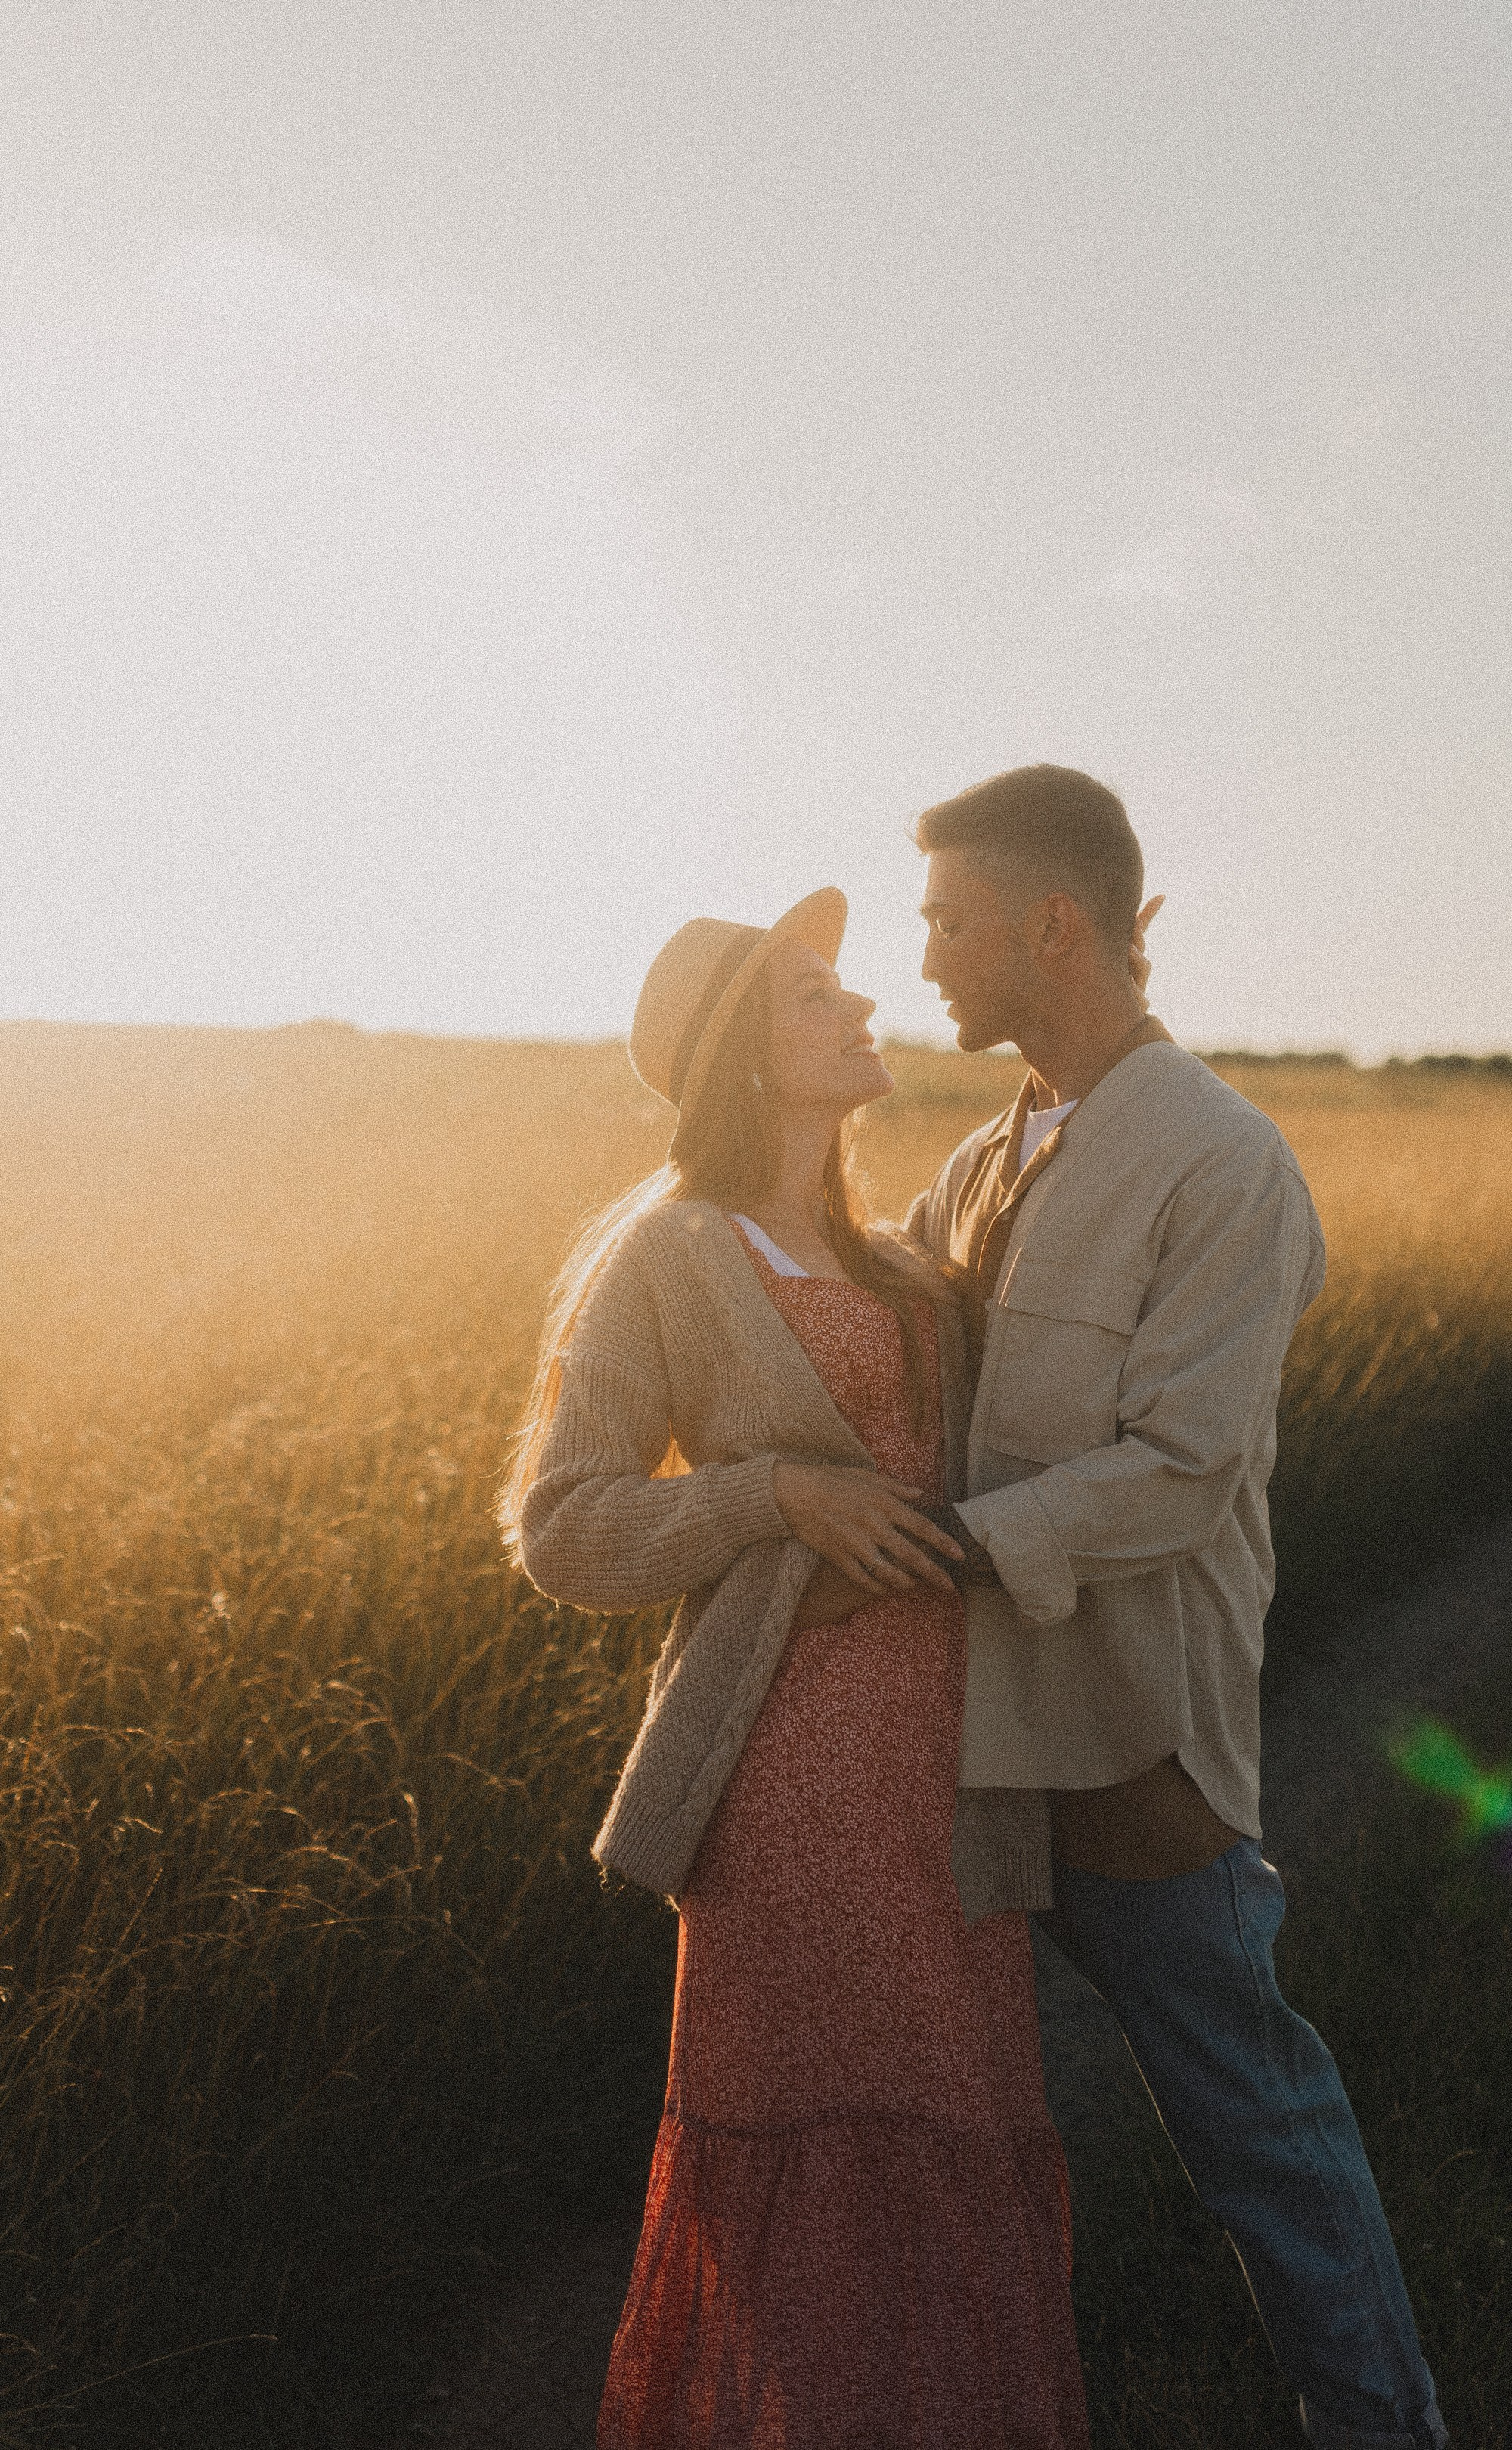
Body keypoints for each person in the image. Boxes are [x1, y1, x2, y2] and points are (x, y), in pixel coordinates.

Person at [899, 762, 1447, 2450]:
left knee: (1258, 2138)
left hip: (1127, 1734)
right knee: (937, 2129)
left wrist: (948, 1547)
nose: (926, 960)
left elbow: (1184, 1471)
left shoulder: (1224, 1164)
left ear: (1050, 926)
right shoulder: (983, 1158)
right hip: (957, 1744)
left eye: (948, 922)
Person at [503, 889, 1090, 2449]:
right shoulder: (670, 1254)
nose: (860, 1008)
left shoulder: (902, 1263)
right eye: (814, 995)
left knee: (964, 2125)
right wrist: (770, 1496)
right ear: (742, 1061)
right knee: (825, 2152)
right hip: (789, 1784)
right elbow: (563, 1527)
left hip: (954, 1779)